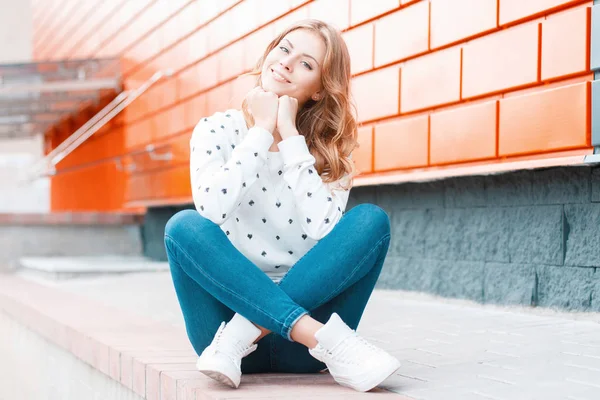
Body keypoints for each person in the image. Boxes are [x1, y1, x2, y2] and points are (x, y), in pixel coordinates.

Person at [164, 19, 400, 393]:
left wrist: (291, 138)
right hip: (227, 335)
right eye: (285, 49)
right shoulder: (217, 130)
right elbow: (210, 212)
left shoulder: (330, 151)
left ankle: (248, 330)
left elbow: (326, 229)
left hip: (298, 350)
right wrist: (260, 130)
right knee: (183, 226)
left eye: (306, 64)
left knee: (372, 220)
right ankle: (334, 343)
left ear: (321, 90)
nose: (287, 63)